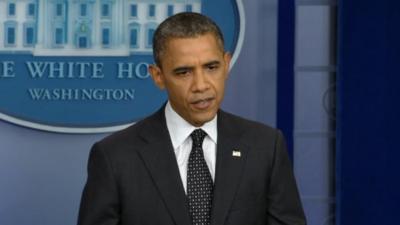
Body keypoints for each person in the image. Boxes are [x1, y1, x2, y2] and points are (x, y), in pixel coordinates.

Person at [78, 12, 306, 225]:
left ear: (226, 64)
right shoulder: (115, 156)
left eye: (211, 67)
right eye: (184, 72)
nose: (201, 85)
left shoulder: (265, 146)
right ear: (158, 76)